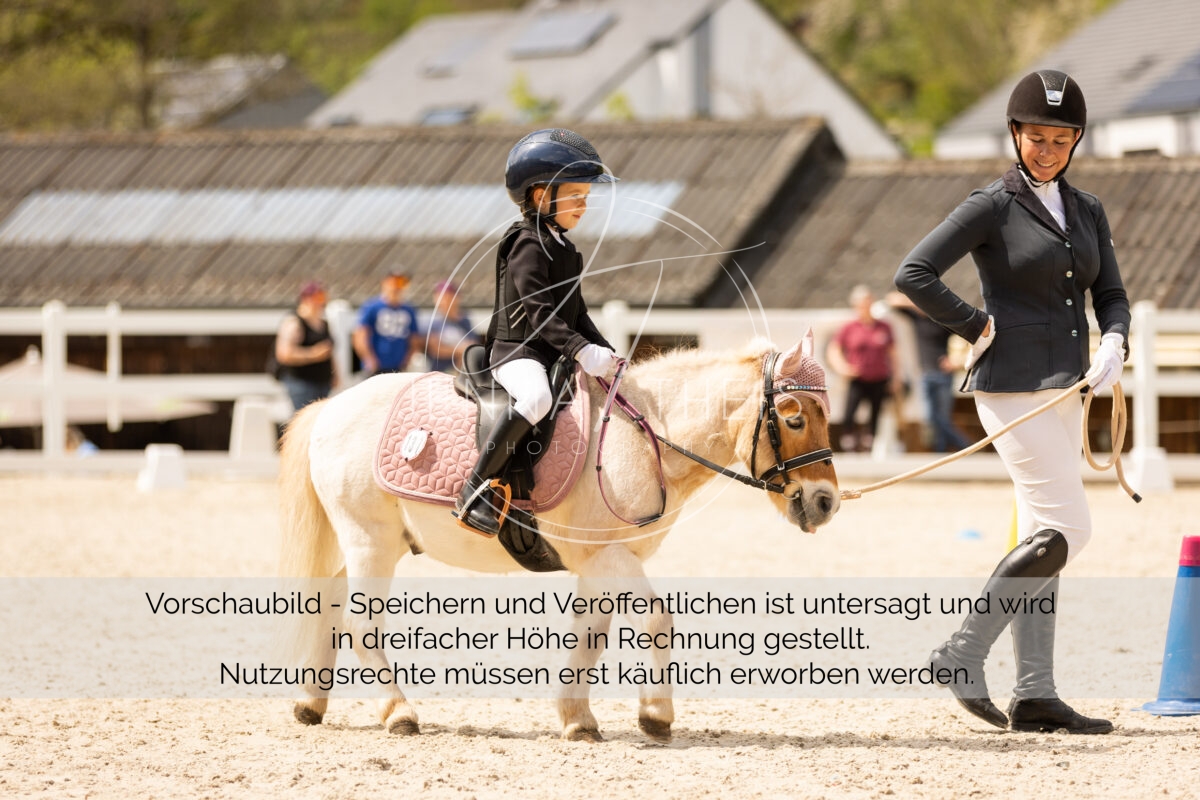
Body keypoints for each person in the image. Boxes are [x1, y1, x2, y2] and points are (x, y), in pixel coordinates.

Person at [895, 70, 1129, 734]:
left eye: (1061, 139)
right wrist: (974, 325)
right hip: (1010, 387)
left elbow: (1110, 292)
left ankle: (1034, 694)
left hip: (1066, 388)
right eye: (1037, 138)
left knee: (1041, 539)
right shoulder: (991, 205)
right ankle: (962, 652)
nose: (1048, 150)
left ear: (1076, 140)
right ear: (1015, 134)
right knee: (1070, 531)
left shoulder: (1087, 209)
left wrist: (1115, 338)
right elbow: (913, 272)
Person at [454, 128, 620, 536]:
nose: (584, 205)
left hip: (549, 353)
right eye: (575, 195)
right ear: (543, 197)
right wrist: (581, 351)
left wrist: (606, 350)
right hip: (517, 352)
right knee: (537, 398)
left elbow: (577, 314)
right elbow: (540, 312)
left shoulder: (566, 250)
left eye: (586, 196)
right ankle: (475, 487)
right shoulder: (527, 244)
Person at [887, 291, 972, 453]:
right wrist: (919, 302)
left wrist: (955, 361)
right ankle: (944, 450)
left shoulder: (942, 322)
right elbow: (892, 300)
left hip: (943, 375)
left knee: (942, 418)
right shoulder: (917, 318)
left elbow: (967, 335)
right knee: (930, 418)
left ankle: (963, 446)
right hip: (925, 375)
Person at [826, 285, 900, 453]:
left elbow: (894, 354)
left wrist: (896, 377)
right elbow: (834, 349)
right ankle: (849, 444)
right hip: (857, 378)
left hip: (879, 377)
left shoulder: (884, 327)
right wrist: (842, 367)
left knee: (875, 413)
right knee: (850, 413)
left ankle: (869, 445)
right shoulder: (849, 327)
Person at [274, 281, 335, 412]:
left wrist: (335, 374)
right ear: (306, 298)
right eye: (319, 298)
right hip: (301, 382)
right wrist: (313, 354)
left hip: (323, 382)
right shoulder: (294, 322)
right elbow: (284, 354)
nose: (322, 303)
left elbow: (330, 352)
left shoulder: (323, 323)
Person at [353, 272, 422, 375]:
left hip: (398, 367)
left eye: (401, 283)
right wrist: (368, 358)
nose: (396, 287)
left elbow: (414, 339)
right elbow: (360, 335)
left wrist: (407, 359)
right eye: (393, 282)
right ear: (384, 283)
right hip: (375, 367)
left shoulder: (409, 310)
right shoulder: (372, 307)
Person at [425, 280, 480, 374]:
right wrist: (460, 350)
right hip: (439, 372)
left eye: (448, 297)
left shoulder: (465, 321)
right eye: (441, 297)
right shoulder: (433, 321)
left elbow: (472, 346)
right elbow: (435, 349)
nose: (444, 301)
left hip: (460, 372)